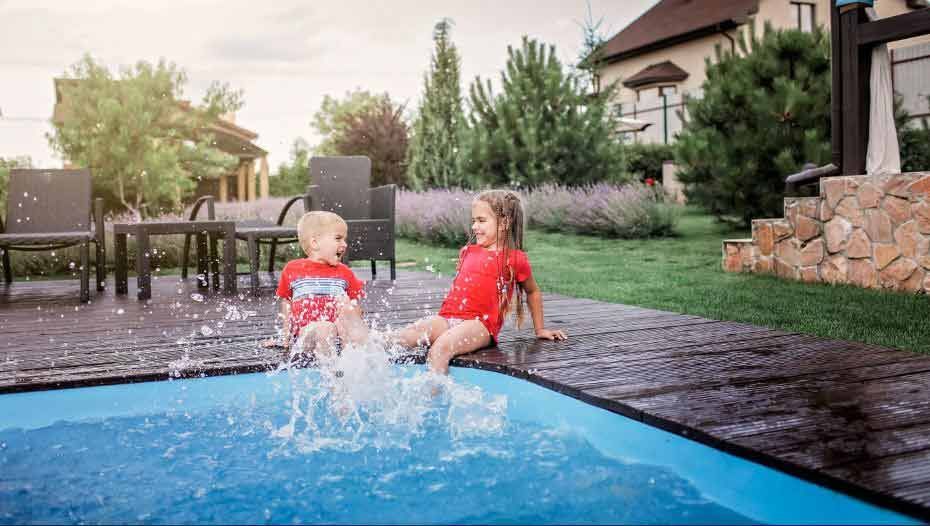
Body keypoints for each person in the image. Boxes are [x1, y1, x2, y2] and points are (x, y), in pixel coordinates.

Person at [389, 189, 566, 374]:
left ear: (504, 223)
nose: (474, 226)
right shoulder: (468, 251)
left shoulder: (514, 259)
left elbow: (533, 291)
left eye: (481, 221)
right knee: (403, 336)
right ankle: (362, 347)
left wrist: (540, 329)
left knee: (439, 350)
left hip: (480, 325)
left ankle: (435, 401)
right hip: (447, 317)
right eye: (474, 221)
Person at [265, 211, 368, 357]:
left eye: (345, 239)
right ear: (315, 243)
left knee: (343, 316)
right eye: (338, 238)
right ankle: (335, 375)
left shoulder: (345, 272)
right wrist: (285, 338)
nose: (344, 244)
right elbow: (286, 304)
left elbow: (356, 312)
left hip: (338, 338)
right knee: (325, 328)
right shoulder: (293, 269)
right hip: (306, 336)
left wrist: (349, 313)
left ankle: (351, 364)